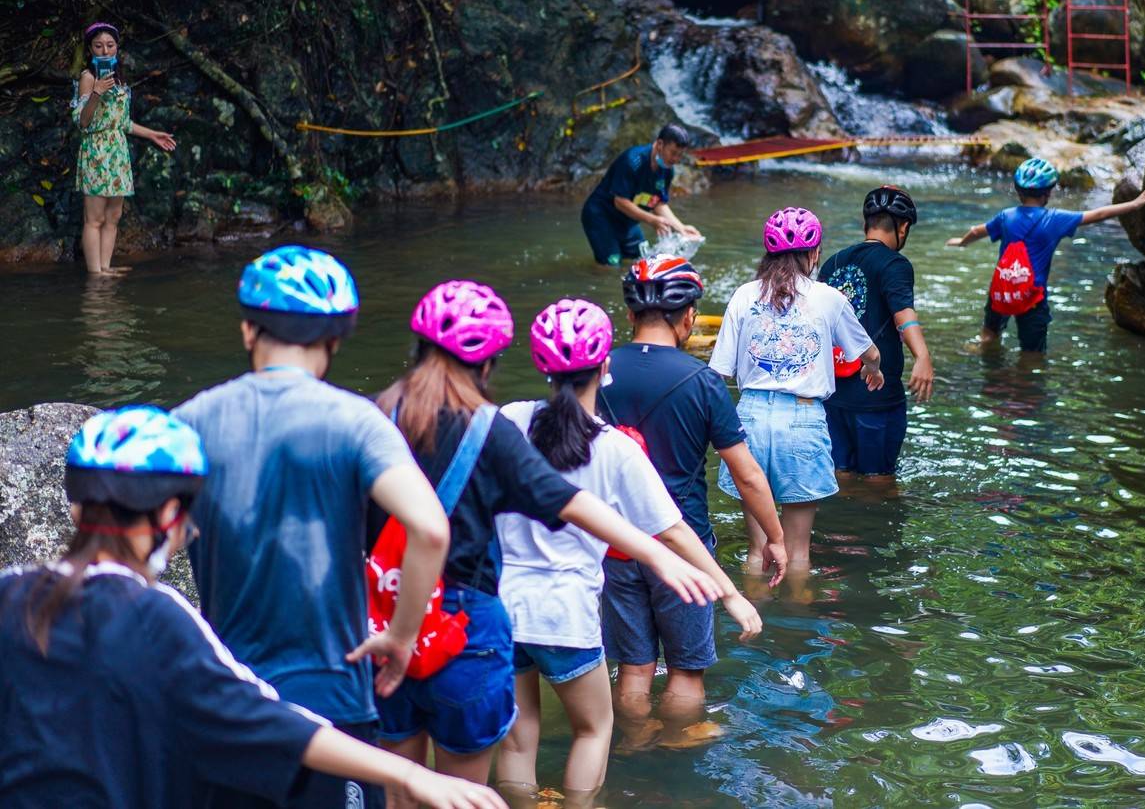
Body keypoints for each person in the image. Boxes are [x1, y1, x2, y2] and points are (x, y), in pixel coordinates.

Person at [0, 406, 505, 809]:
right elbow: (265, 718)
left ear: (75, 507)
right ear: (171, 514)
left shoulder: (10, 591)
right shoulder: (155, 616)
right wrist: (411, 775)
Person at [371, 280, 724, 801]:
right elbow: (591, 507)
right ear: (604, 368)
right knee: (592, 729)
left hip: (449, 613)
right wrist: (698, 576)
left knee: (502, 748)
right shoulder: (588, 443)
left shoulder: (481, 419)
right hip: (539, 618)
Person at [174, 244, 452, 809]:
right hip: (334, 699)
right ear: (333, 341)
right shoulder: (357, 422)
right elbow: (430, 530)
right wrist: (400, 638)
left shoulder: (190, 421)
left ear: (249, 330)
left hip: (231, 700)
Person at [495, 298, 762, 806]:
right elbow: (674, 533)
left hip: (504, 609)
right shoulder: (614, 447)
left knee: (518, 734)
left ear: (540, 364)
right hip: (565, 614)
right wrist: (731, 595)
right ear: (605, 367)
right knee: (594, 732)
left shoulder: (510, 419)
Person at [597, 255, 786, 732]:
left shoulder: (595, 373)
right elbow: (746, 475)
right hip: (684, 548)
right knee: (685, 672)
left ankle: (635, 746)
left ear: (630, 316)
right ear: (687, 319)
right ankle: (678, 752)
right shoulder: (701, 382)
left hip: (614, 544)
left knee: (634, 669)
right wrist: (775, 537)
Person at [709, 208, 884, 569]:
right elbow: (869, 351)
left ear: (768, 253)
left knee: (758, 550)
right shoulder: (829, 298)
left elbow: (719, 373)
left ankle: (754, 620)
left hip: (751, 420)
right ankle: (798, 623)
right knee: (798, 551)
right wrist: (874, 368)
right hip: (803, 420)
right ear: (815, 253)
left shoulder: (743, 296)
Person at [947, 158, 1145, 355]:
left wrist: (961, 242)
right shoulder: (1056, 219)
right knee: (1032, 353)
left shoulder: (1006, 216)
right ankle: (1023, 385)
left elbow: (976, 231)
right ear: (1047, 193)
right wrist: (1135, 204)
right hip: (1032, 297)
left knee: (989, 335)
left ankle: (982, 353)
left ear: (1019, 192)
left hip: (1002, 291)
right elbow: (1099, 214)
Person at [819, 185, 934, 478]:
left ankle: (838, 524)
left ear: (865, 223)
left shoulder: (833, 262)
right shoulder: (895, 264)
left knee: (839, 475)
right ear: (903, 227)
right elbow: (903, 314)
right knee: (879, 481)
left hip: (833, 393)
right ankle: (875, 524)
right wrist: (922, 356)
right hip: (876, 394)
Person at [71, 21, 177, 274]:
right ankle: (95, 275)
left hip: (117, 152)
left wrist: (152, 135)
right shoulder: (88, 77)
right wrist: (96, 92)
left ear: (117, 47)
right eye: (99, 46)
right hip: (96, 151)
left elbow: (122, 123)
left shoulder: (119, 79)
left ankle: (105, 268)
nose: (105, 51)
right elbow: (82, 122)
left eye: (110, 45)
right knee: (94, 218)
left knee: (113, 217)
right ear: (90, 50)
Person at [580, 124, 699, 266]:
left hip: (627, 220)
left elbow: (658, 203)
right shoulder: (632, 161)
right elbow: (620, 201)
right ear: (660, 144)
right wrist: (653, 220)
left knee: (644, 262)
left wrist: (681, 228)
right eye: (673, 153)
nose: (676, 159)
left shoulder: (667, 170)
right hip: (601, 216)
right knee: (611, 265)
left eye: (680, 155)